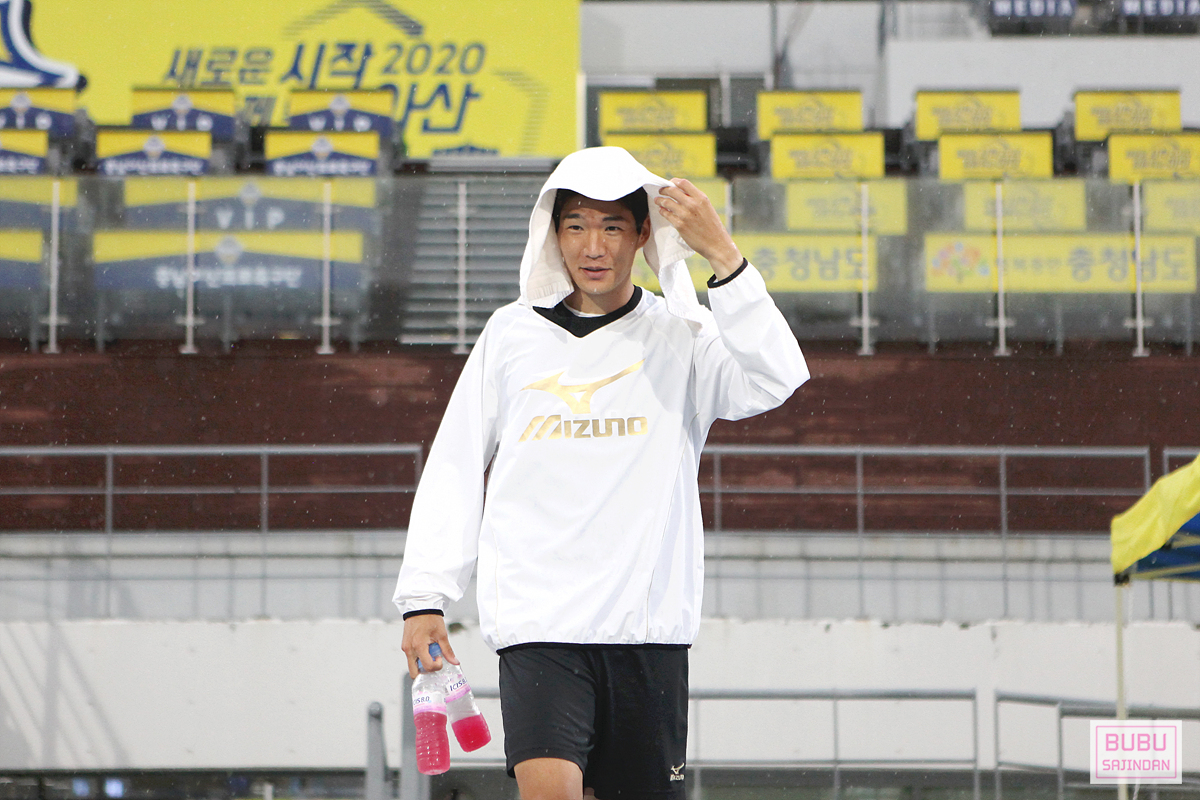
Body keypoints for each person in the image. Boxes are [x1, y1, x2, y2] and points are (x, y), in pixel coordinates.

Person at [394, 146, 808, 800]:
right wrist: (425, 597)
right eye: (576, 225)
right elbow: (455, 463)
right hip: (540, 629)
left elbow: (776, 378)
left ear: (643, 235)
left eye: (612, 226)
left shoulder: (684, 335)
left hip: (648, 634)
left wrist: (723, 256)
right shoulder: (510, 335)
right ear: (552, 235)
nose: (593, 246)